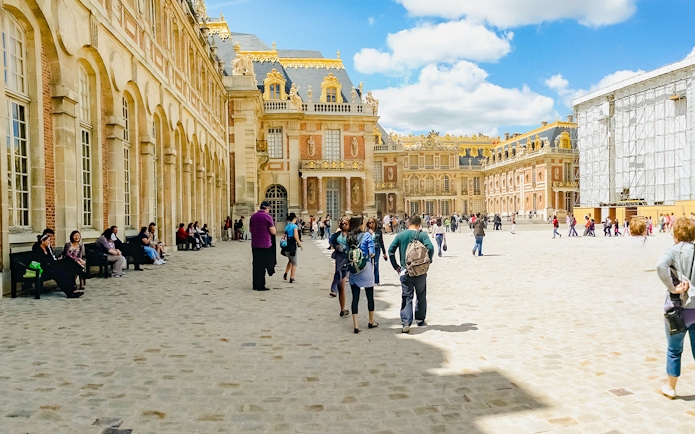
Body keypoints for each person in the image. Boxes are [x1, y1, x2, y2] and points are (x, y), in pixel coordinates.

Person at [655, 217, 695, 399]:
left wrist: (673, 287)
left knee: (674, 350)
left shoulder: (672, 251)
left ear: (676, 234)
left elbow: (660, 265)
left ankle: (671, 388)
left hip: (676, 309)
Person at [388, 215, 434, 333]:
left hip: (405, 270)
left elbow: (390, 251)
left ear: (408, 223)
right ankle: (420, 319)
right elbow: (431, 247)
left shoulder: (401, 235)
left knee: (407, 297)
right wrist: (427, 261)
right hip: (420, 271)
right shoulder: (421, 235)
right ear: (419, 225)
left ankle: (406, 322)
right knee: (421, 295)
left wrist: (396, 266)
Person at [347, 216, 378, 333]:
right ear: (360, 224)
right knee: (370, 297)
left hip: (354, 270)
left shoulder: (349, 237)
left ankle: (356, 325)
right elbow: (372, 253)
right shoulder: (367, 235)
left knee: (355, 298)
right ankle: (371, 321)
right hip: (365, 269)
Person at [32, 230, 83, 298]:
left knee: (66, 265)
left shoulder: (46, 247)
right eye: (48, 240)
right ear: (43, 241)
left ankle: (72, 288)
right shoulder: (37, 247)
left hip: (50, 265)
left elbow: (50, 258)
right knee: (58, 273)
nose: (50, 242)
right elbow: (40, 260)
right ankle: (69, 293)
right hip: (42, 268)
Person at [249, 201, 276, 291]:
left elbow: (250, 230)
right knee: (263, 265)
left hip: (255, 244)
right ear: (267, 208)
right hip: (265, 244)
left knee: (256, 264)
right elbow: (273, 231)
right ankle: (261, 285)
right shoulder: (267, 217)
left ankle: (255, 284)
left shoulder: (253, 217)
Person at [329, 217, 351, 318]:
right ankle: (342, 309)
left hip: (348, 259)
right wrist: (335, 246)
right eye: (342, 224)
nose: (344, 226)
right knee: (341, 286)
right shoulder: (337, 234)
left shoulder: (351, 236)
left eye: (346, 224)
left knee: (340, 276)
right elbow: (331, 240)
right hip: (339, 258)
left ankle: (333, 289)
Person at [282, 213, 303, 283]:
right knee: (294, 263)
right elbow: (296, 236)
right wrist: (300, 244)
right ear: (294, 219)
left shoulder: (287, 226)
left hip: (286, 245)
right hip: (292, 245)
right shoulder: (294, 226)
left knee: (290, 260)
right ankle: (292, 277)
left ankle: (285, 273)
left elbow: (284, 235)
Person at [367, 218, 387, 285]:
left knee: (376, 264)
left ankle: (376, 281)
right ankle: (369, 280)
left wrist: (384, 253)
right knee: (369, 265)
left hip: (376, 249)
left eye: (372, 222)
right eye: (370, 223)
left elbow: (381, 242)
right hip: (369, 250)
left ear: (375, 223)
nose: (371, 224)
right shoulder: (367, 232)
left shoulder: (379, 231)